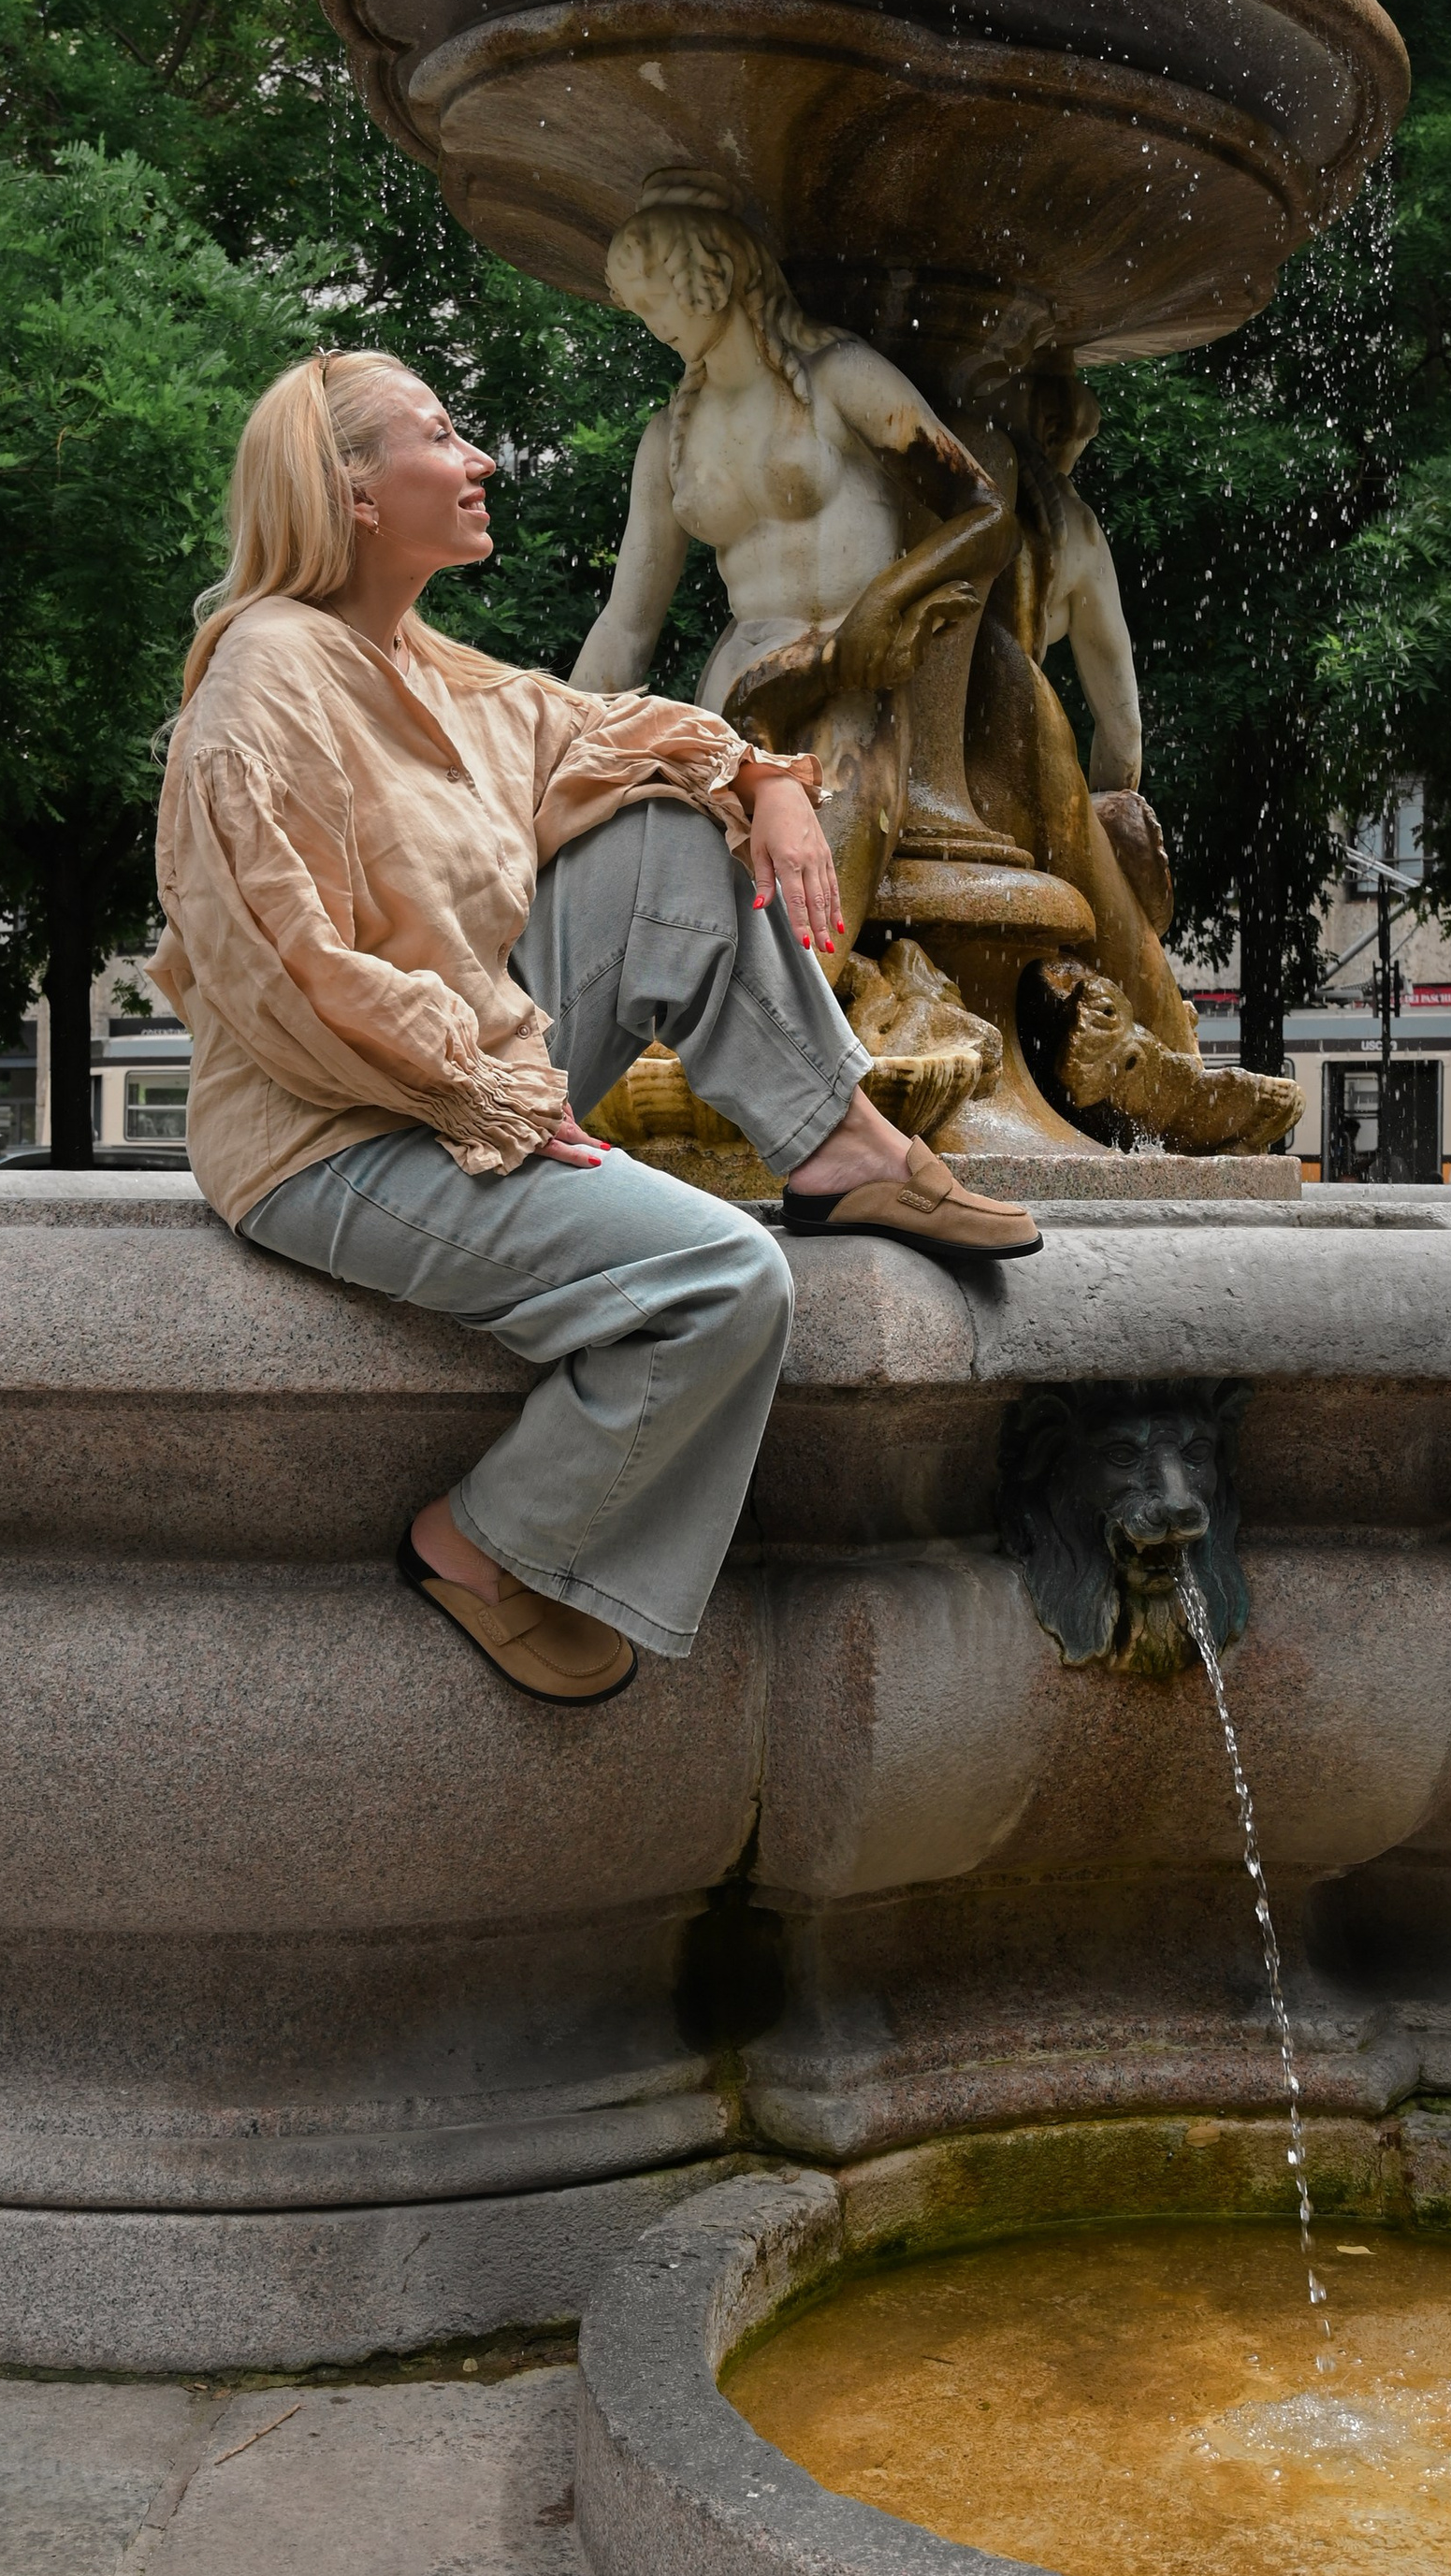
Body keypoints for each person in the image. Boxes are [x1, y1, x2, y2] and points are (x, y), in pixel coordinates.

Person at [149, 351, 1038, 1711]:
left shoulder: (422, 668)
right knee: (726, 1283)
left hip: (458, 1079)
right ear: (353, 494)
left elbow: (602, 732)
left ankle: (839, 1144)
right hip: (333, 1129)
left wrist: (761, 778)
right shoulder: (266, 683)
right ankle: (482, 1544)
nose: (479, 459)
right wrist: (482, 1094)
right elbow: (286, 972)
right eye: (441, 437)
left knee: (677, 834)